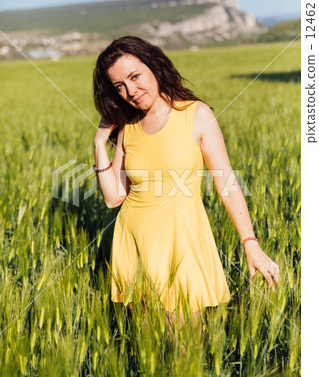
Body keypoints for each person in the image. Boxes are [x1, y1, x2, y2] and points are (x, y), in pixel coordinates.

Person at [92, 36, 280, 334]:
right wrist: (99, 143)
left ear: (153, 66)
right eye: (119, 86)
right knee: (149, 351)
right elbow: (114, 198)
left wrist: (250, 243)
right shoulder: (128, 127)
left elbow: (227, 183)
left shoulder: (196, 115)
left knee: (185, 349)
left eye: (135, 77)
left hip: (182, 246)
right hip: (134, 245)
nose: (130, 91)